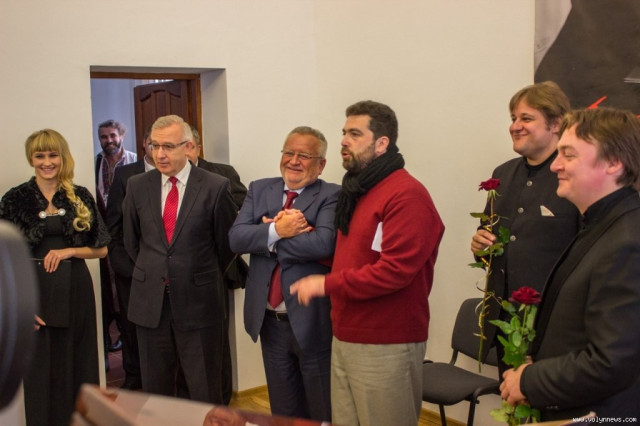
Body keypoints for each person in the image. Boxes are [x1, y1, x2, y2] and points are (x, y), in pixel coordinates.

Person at [291, 101, 444, 426]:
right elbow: (351, 256)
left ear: (382, 143)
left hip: (386, 343)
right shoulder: (359, 190)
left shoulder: (407, 195)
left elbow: (395, 272)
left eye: (355, 134)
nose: (344, 141)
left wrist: (325, 283)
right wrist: (304, 233)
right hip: (346, 334)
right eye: (344, 132)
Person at [500, 108, 640, 420]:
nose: (555, 165)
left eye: (569, 154)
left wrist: (530, 381)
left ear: (613, 162)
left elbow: (612, 362)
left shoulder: (628, 242)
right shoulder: (603, 224)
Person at [122, 115, 236, 403]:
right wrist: (158, 271)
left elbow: (227, 246)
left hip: (200, 304)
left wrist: (194, 274)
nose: (159, 154)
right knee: (156, 393)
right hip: (151, 304)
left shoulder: (215, 186)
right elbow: (132, 243)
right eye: (154, 145)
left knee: (204, 389)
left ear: (188, 147)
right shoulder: (137, 185)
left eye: (168, 147)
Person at [229, 126, 340, 421]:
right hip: (269, 321)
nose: (294, 161)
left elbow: (324, 243)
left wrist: (267, 238)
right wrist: (279, 230)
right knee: (283, 410)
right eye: (289, 152)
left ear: (321, 164)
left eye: (304, 155)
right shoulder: (259, 188)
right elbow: (236, 239)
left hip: (312, 320)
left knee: (321, 410)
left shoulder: (332, 194)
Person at [0, 129, 109, 425]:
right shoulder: (15, 199)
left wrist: (69, 251)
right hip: (33, 295)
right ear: (31, 159)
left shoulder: (81, 195)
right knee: (39, 372)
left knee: (80, 365)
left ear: (62, 157)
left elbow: (101, 250)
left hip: (76, 292)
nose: (47, 162)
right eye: (40, 156)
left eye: (53, 155)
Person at [470, 81, 579, 372]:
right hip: (505, 322)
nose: (515, 126)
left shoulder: (574, 176)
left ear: (556, 124)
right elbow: (489, 247)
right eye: (513, 118)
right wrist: (480, 246)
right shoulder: (503, 174)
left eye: (526, 118)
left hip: (553, 327)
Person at [182, 125, 248, 405]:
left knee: (216, 343)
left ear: (197, 147)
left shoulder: (222, 174)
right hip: (175, 277)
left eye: (186, 146)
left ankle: (221, 401)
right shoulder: (154, 181)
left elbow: (244, 213)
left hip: (214, 272)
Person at [104, 126, 155, 390]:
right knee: (132, 329)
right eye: (154, 143)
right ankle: (135, 384)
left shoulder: (184, 177)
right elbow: (113, 227)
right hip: (132, 271)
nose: (160, 150)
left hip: (168, 273)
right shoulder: (126, 175)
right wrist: (126, 267)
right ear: (144, 143)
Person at [95, 119, 137, 364]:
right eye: (104, 137)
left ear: (121, 135)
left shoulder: (134, 162)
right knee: (107, 289)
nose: (109, 141)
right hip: (103, 234)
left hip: (126, 235)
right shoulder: (95, 163)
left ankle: (125, 333)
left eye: (112, 135)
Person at [187, 126, 247, 210]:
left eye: (189, 147)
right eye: (178, 148)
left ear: (198, 150)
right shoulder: (168, 176)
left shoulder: (225, 173)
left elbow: (246, 207)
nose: (184, 153)